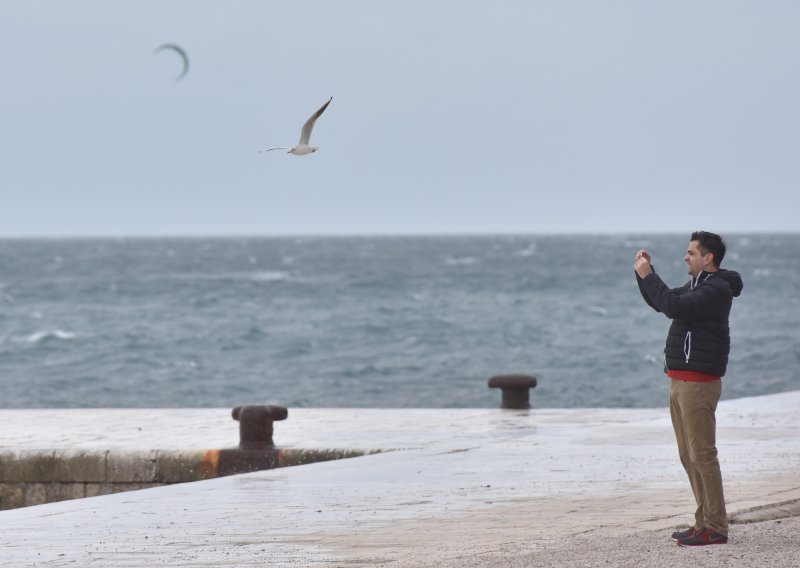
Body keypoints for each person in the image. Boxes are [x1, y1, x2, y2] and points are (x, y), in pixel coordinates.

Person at [634, 231, 743, 547]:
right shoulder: (697, 286)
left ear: (707, 258)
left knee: (703, 455)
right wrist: (643, 276)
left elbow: (673, 306)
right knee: (688, 456)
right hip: (680, 381)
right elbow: (662, 302)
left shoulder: (716, 289)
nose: (685, 257)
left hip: (698, 384)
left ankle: (716, 527)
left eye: (690, 253)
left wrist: (648, 274)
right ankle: (703, 521)